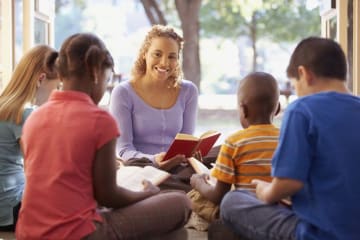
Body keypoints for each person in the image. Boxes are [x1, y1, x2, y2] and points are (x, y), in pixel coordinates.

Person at [16, 33, 191, 240]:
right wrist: (147, 194)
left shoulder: (34, 119)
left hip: (28, 232)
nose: (105, 88)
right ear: (96, 74)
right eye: (107, 80)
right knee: (181, 203)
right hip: (78, 233)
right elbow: (108, 196)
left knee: (175, 234)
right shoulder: (99, 120)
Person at [220, 37, 360, 240]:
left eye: (295, 86)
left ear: (304, 74)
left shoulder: (302, 110)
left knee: (232, 201)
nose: (297, 93)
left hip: (317, 233)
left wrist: (265, 191)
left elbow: (288, 183)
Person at [188, 72, 280, 226]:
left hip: (246, 212)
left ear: (243, 109)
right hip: (280, 211)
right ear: (277, 109)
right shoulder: (287, 139)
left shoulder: (234, 142)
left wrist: (198, 183)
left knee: (195, 196)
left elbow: (219, 195)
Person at [109, 24, 198, 172]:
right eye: (157, 54)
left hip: (178, 171)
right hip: (140, 170)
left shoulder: (189, 91)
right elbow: (123, 150)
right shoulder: (123, 93)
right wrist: (154, 160)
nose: (164, 62)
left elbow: (186, 145)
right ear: (145, 54)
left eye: (172, 56)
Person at [0, 45, 59, 232]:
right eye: (57, 86)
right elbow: (43, 171)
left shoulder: (6, 105)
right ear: (41, 79)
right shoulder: (25, 113)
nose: (57, 94)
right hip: (10, 209)